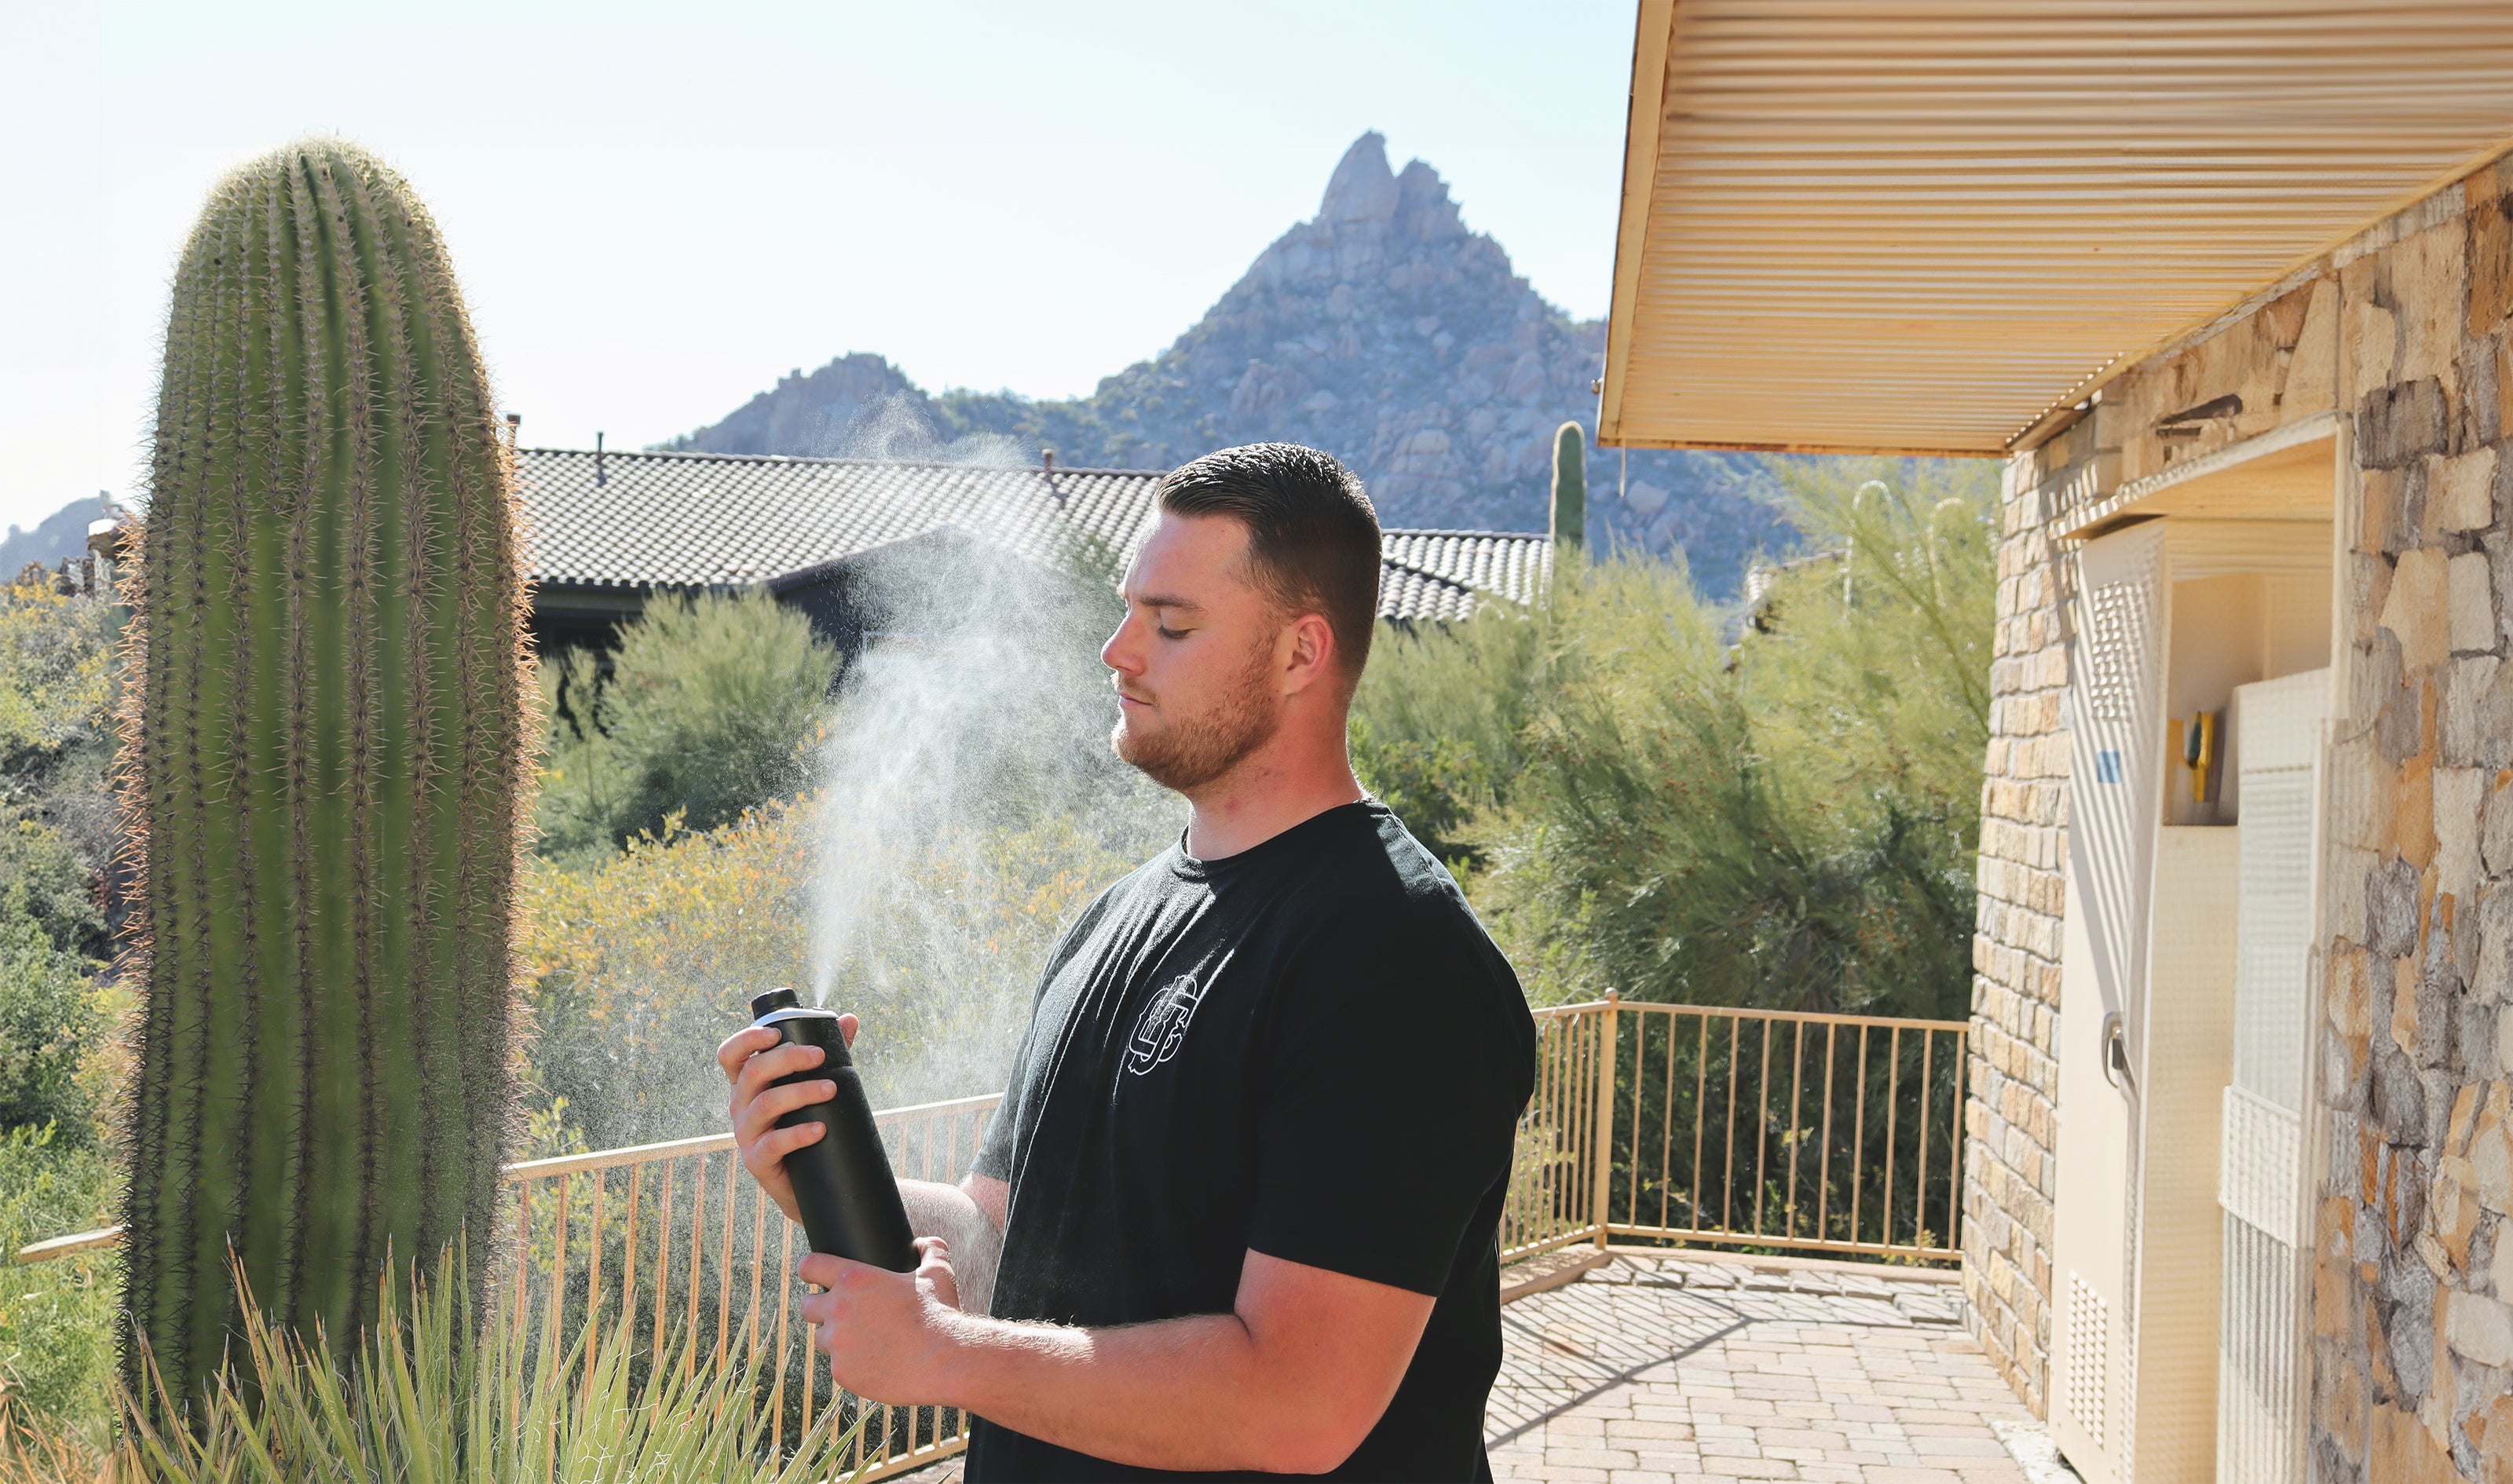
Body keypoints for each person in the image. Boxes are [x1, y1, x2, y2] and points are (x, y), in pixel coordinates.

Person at [717, 443, 1535, 1481]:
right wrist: (821, 1172)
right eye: (1126, 610)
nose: (1117, 649)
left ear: (1300, 653)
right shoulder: (1110, 919)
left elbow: (1297, 1401)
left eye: (1171, 622)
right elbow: (997, 1242)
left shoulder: (1396, 957)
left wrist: (944, 1352)